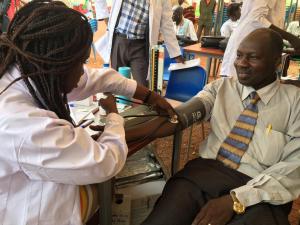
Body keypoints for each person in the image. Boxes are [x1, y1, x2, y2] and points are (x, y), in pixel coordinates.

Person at [0, 1, 176, 224]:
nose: (83, 71)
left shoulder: (25, 72)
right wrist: (114, 117)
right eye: (81, 63)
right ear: (58, 67)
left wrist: (149, 96)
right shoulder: (24, 126)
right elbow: (104, 162)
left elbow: (96, 79)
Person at [126, 28, 300, 225]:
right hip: (206, 174)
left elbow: (294, 167)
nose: (241, 64)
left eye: (253, 57)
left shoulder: (295, 103)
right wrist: (122, 131)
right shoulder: (222, 88)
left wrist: (237, 199)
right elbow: (181, 116)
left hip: (261, 187)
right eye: (239, 55)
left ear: (277, 61)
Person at [95, 0, 184, 87]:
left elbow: (166, 24)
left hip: (141, 46)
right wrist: (105, 17)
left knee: (142, 87)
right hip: (119, 41)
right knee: (117, 85)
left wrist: (176, 54)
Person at [220, 0, 300, 77]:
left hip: (258, 47)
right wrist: (291, 38)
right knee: (241, 84)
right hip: (249, 45)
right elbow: (256, 19)